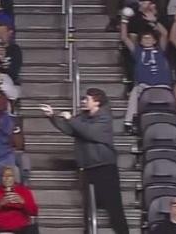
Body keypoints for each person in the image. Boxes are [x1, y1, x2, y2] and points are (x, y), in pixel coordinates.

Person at [41, 88, 129, 234]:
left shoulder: (105, 118)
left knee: (114, 208)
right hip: (88, 167)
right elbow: (70, 129)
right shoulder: (83, 117)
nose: (83, 101)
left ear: (97, 102)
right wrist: (52, 117)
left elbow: (89, 132)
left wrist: (71, 119)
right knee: (88, 208)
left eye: (87, 99)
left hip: (105, 167)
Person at [0, 166, 39, 234]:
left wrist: (23, 202)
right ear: (0, 178)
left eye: (9, 176)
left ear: (14, 178)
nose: (7, 178)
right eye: (4, 176)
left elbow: (34, 212)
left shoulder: (23, 191)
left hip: (21, 229)